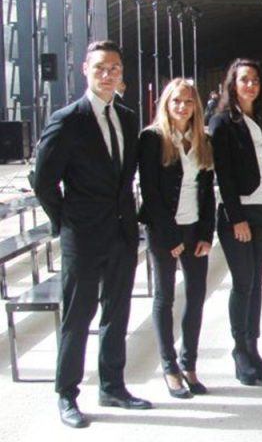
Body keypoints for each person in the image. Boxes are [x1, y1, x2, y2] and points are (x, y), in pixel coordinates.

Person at [34, 40, 151, 429]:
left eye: (114, 68)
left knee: (117, 313)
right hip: (83, 236)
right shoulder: (67, 120)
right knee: (77, 315)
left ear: (121, 73)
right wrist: (66, 220)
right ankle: (67, 393)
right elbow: (43, 181)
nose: (107, 74)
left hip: (121, 233)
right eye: (100, 67)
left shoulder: (128, 117)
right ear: (85, 69)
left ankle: (112, 386)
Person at [138, 78, 215, 398]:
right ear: (166, 105)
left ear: (196, 105)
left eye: (188, 101)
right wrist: (171, 237)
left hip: (194, 227)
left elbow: (207, 193)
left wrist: (206, 234)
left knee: (196, 296)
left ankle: (189, 364)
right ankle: (169, 367)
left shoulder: (203, 139)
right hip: (163, 230)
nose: (182, 107)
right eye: (176, 101)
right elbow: (150, 192)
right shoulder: (153, 139)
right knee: (165, 297)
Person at [209, 59, 262, 386]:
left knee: (257, 280)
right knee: (243, 281)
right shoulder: (223, 122)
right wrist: (236, 217)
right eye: (244, 80)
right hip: (238, 213)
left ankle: (253, 345)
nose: (250, 85)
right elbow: (223, 174)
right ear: (233, 85)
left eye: (254, 80)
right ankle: (239, 349)